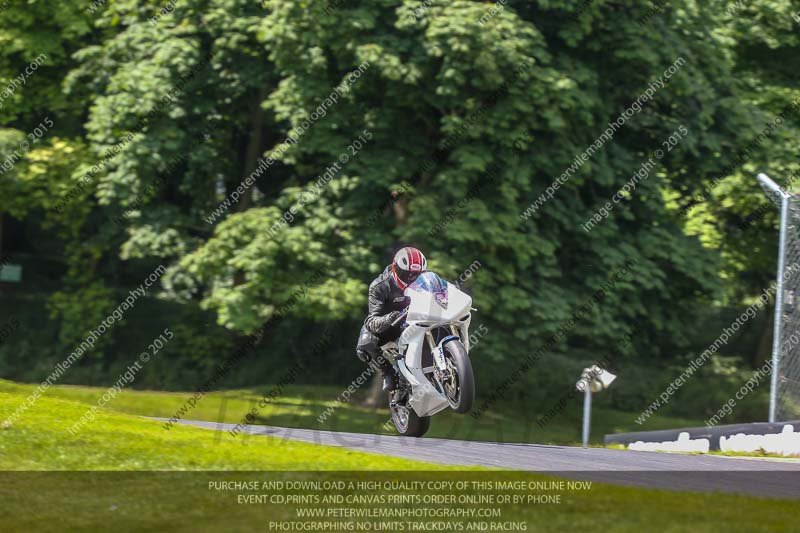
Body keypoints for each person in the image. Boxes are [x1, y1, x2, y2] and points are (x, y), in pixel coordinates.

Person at [356, 247, 427, 391]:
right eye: (406, 274)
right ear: (394, 268)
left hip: (420, 322)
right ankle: (387, 373)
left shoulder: (427, 281)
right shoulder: (380, 286)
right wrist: (388, 318)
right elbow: (371, 321)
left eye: (416, 275)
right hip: (392, 326)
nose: (411, 279)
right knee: (365, 345)